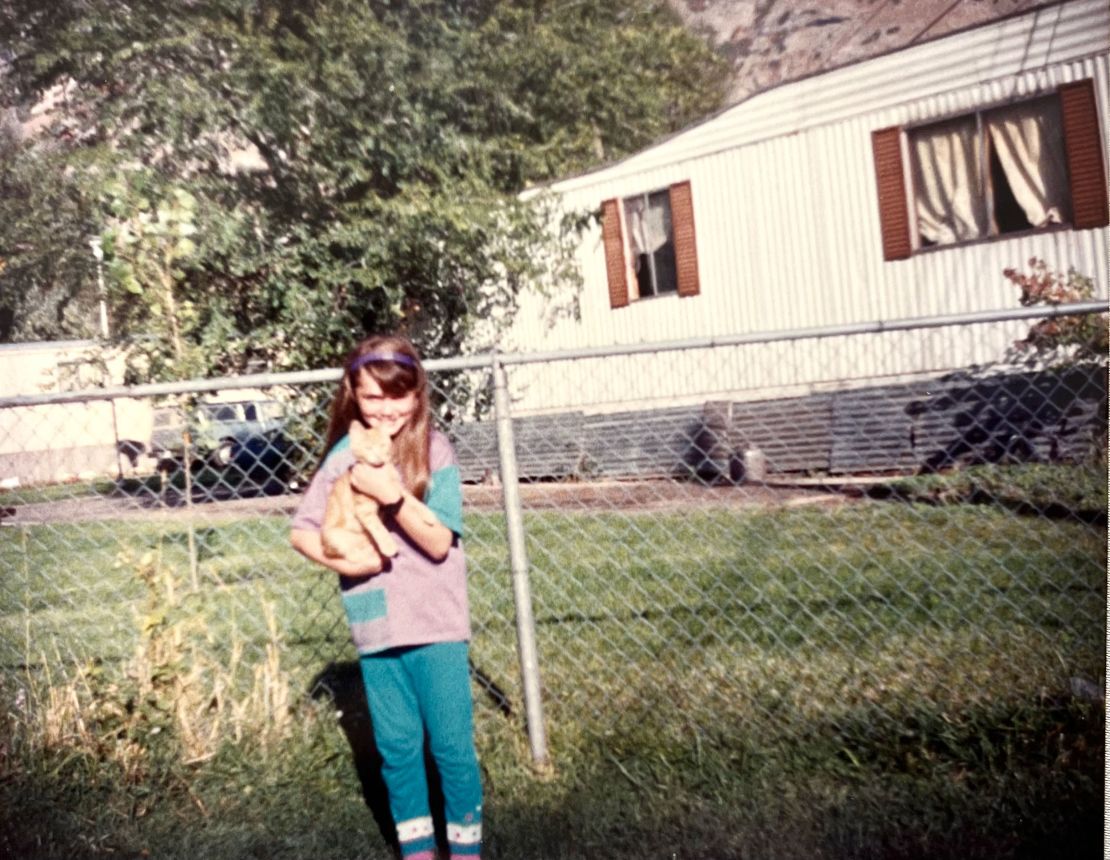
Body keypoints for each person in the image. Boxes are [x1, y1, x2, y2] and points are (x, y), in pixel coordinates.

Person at [290, 334, 482, 860]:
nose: (386, 410)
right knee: (397, 751)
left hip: (436, 623)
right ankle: (417, 851)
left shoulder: (434, 451)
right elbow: (303, 531)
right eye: (372, 397)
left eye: (397, 397)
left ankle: (465, 852)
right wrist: (347, 562)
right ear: (353, 394)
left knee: (451, 750)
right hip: (376, 625)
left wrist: (391, 496)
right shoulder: (342, 455)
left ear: (417, 395)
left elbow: (440, 542)